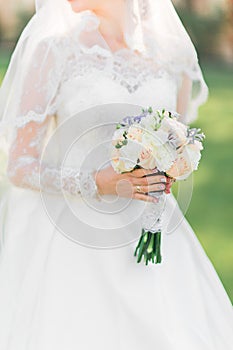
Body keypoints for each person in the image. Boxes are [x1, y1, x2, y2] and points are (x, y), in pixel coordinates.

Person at [0, 0, 232, 349]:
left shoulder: (172, 53)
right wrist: (95, 182)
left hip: (152, 231)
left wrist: (169, 164)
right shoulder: (55, 48)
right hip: (72, 237)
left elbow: (176, 135)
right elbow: (18, 163)